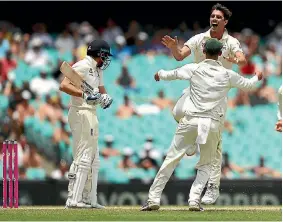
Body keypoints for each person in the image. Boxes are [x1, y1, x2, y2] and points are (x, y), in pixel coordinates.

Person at [141, 38, 262, 211]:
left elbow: (172, 74)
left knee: (171, 160)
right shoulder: (228, 74)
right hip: (211, 123)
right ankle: (194, 200)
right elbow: (249, 86)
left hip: (190, 120)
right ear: (220, 54)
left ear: (203, 51)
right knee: (206, 164)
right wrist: (257, 77)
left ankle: (153, 199)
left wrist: (159, 73)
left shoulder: (194, 68)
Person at [161, 3, 247, 205]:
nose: (214, 19)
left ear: (225, 22)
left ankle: (213, 188)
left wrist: (232, 57)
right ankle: (191, 142)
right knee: (178, 111)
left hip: (217, 97)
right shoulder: (199, 38)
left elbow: (242, 60)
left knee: (215, 146)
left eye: (219, 16)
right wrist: (174, 48)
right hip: (196, 91)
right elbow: (180, 55)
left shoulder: (231, 42)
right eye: (212, 16)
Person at [59, 39, 113, 208]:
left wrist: (106, 97)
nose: (106, 60)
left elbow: (101, 90)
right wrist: (84, 95)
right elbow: (64, 85)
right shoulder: (82, 65)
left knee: (94, 159)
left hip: (92, 113)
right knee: (83, 156)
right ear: (100, 54)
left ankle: (91, 199)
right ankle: (73, 199)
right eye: (105, 56)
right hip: (79, 112)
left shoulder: (97, 70)